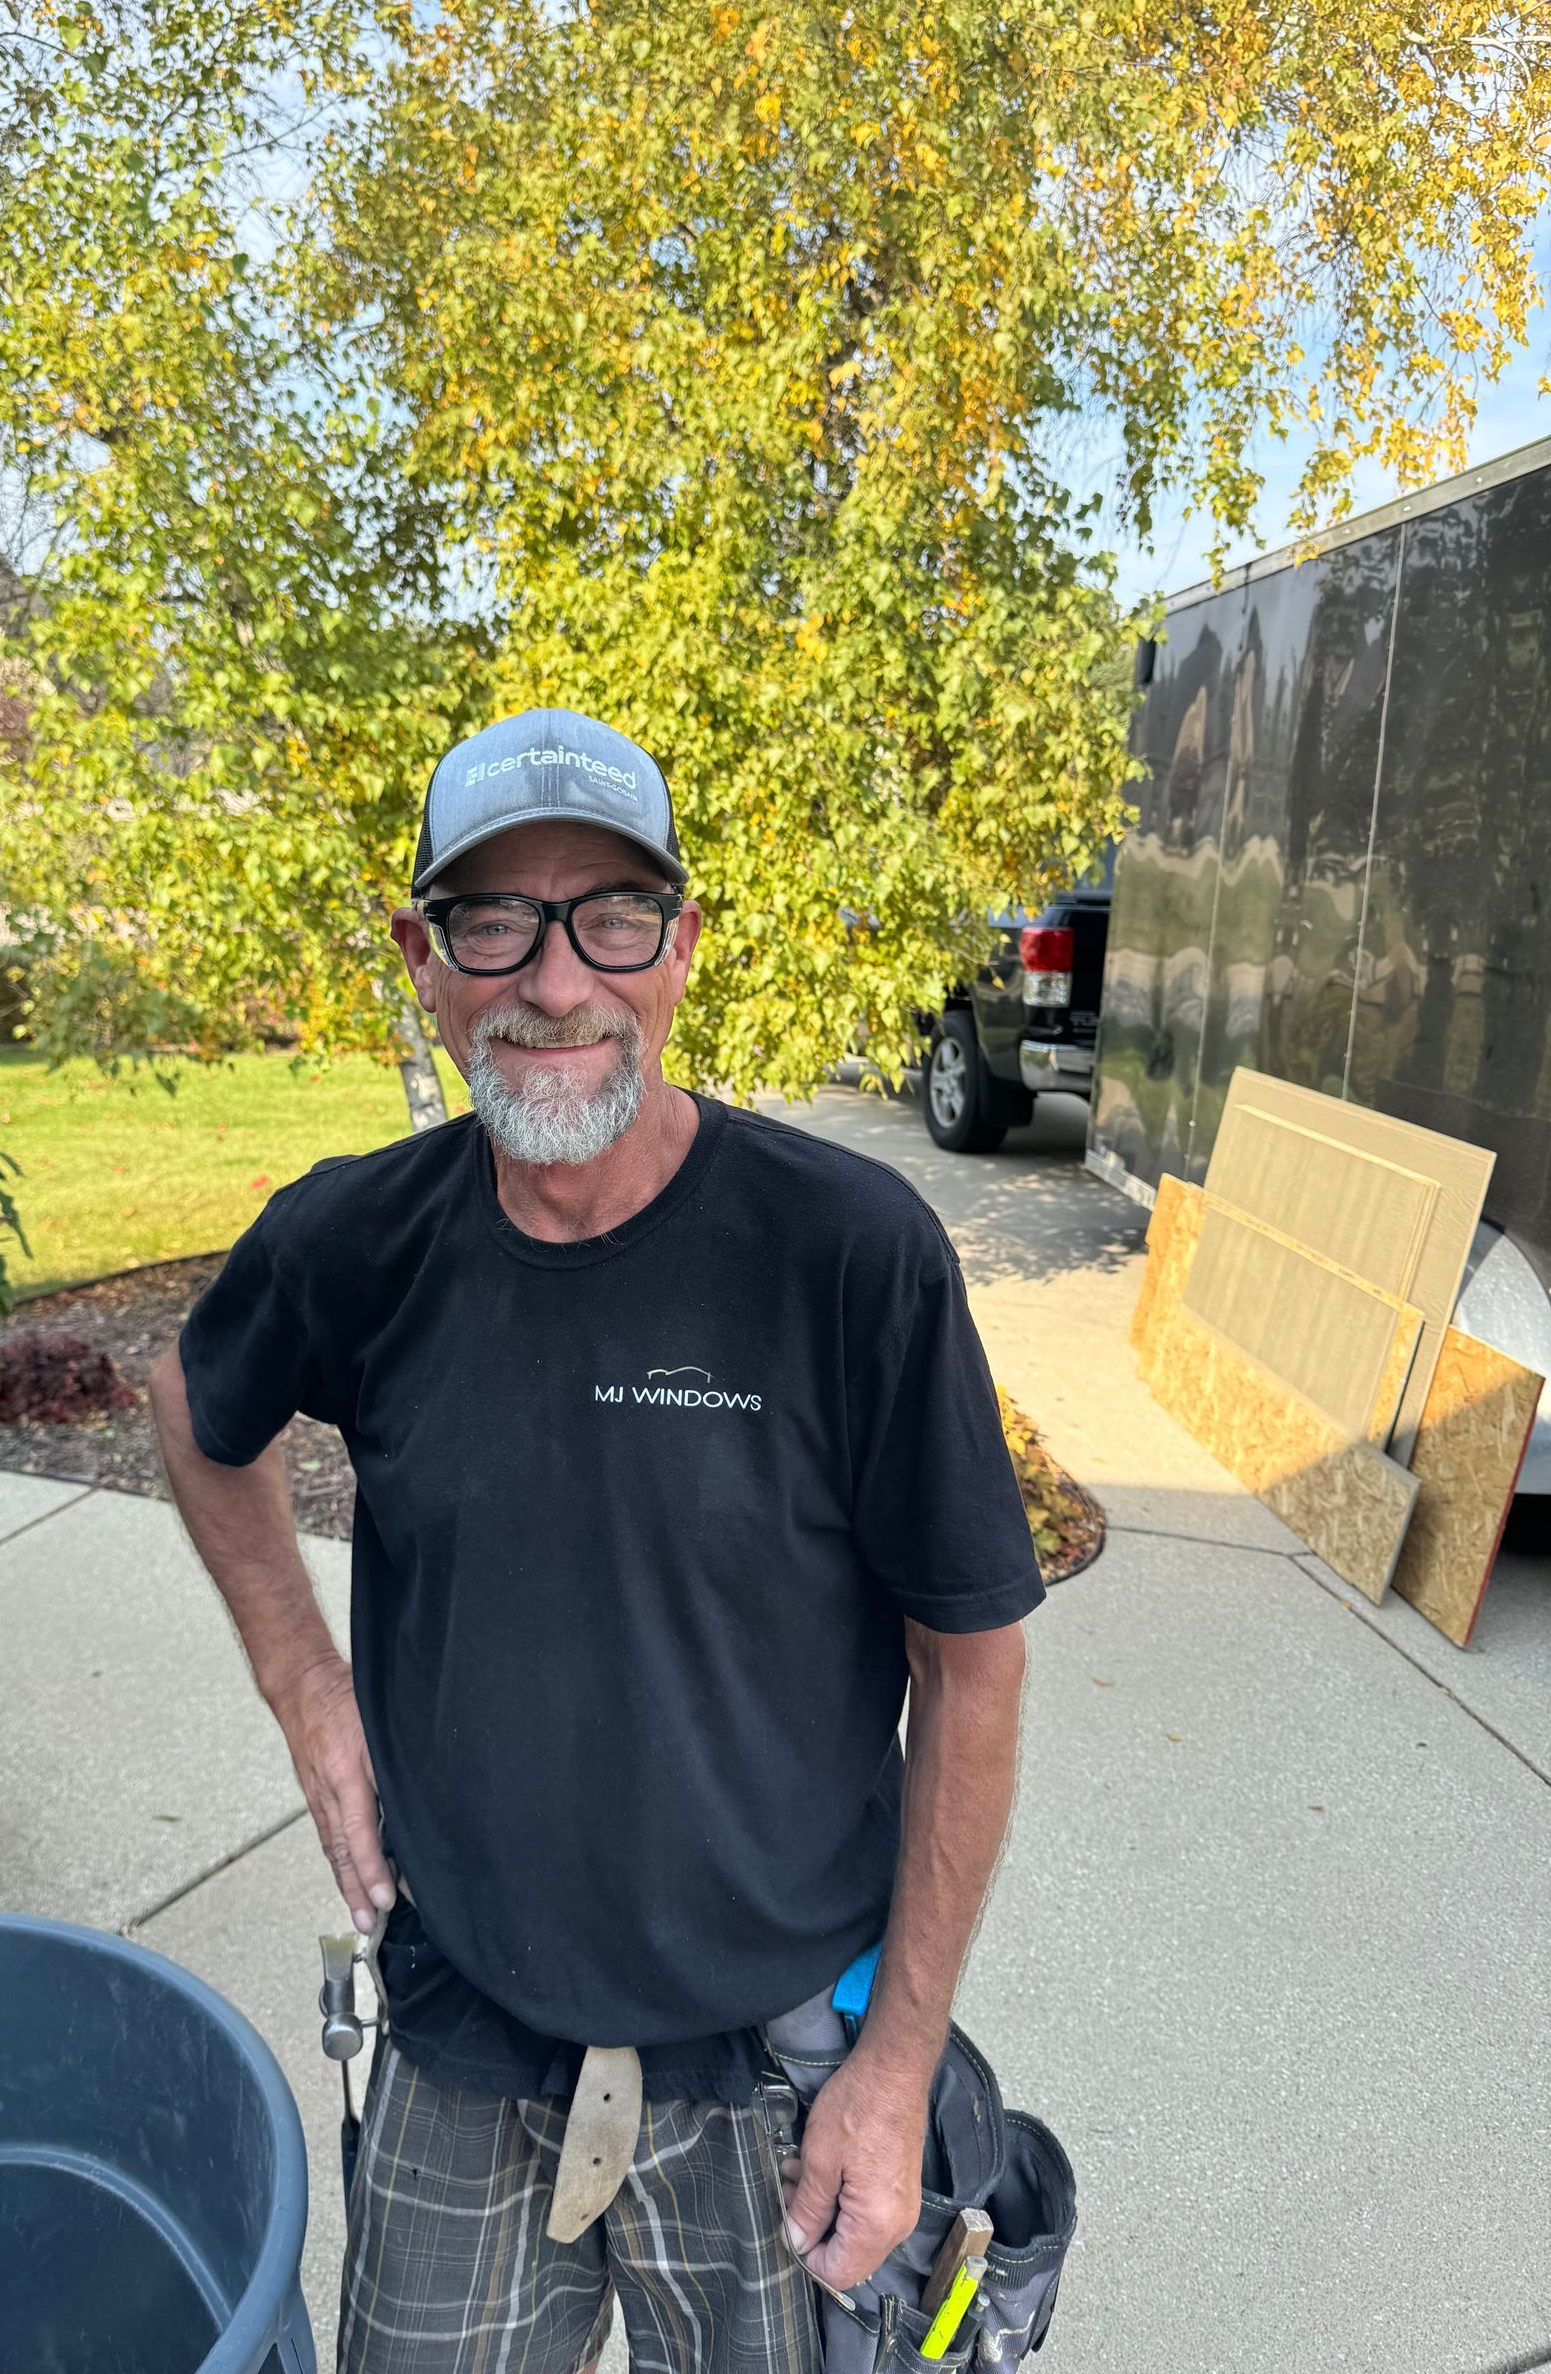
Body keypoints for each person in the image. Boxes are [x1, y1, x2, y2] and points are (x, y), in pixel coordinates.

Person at [150, 707, 1041, 2374]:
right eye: (494, 919)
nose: (556, 981)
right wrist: (302, 1686)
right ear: (423, 958)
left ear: (681, 948)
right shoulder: (358, 1242)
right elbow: (196, 1421)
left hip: (776, 2071)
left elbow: (972, 1668)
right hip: (461, 2034)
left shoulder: (846, 1256)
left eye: (610, 915)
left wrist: (898, 2066)